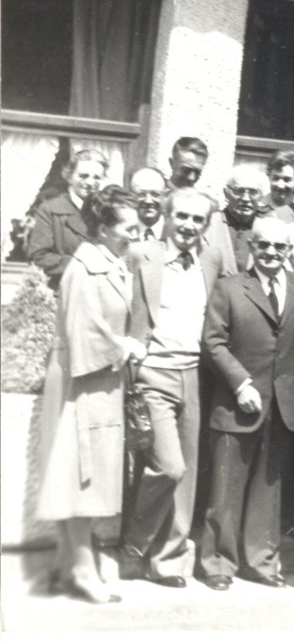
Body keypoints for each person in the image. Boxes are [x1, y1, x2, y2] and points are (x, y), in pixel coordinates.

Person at [36, 185, 145, 603]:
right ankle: (83, 571)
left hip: (98, 381)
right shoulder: (85, 268)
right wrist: (126, 348)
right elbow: (86, 331)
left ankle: (73, 564)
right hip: (83, 382)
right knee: (80, 476)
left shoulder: (110, 260)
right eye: (128, 228)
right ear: (101, 229)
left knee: (82, 473)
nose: (135, 235)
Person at [197, 218, 294, 591]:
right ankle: (218, 564)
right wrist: (240, 382)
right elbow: (213, 342)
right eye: (264, 246)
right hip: (236, 402)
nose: (272, 253)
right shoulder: (229, 288)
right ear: (251, 247)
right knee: (226, 488)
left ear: (289, 251)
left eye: (280, 247)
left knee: (269, 488)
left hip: (282, 403)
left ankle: (261, 562)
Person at [121, 188, 223, 588]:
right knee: (169, 467)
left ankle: (168, 560)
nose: (188, 226)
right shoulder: (140, 256)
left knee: (189, 474)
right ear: (166, 215)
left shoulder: (211, 260)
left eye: (198, 220)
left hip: (194, 375)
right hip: (153, 375)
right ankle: (133, 546)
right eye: (182, 216)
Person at [27, 148, 108, 290]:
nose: (90, 182)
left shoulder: (107, 211)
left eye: (96, 177)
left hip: (101, 291)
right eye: (83, 176)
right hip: (64, 290)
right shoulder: (51, 209)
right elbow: (39, 257)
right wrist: (83, 264)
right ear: (69, 176)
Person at [204, 164, 272, 275]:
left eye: (253, 192)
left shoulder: (268, 228)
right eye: (239, 191)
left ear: (261, 195)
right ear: (226, 193)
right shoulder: (209, 224)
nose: (245, 198)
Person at [128, 167, 169, 242]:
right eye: (141, 194)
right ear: (130, 196)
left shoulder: (173, 233)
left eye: (155, 194)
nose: (148, 201)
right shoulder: (124, 233)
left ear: (165, 197)